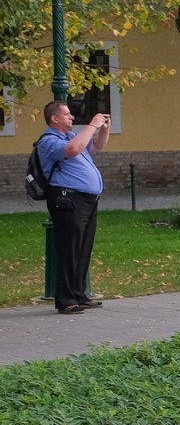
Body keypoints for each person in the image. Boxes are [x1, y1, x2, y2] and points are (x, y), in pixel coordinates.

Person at [35, 101, 108, 314]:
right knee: (70, 249)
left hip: (86, 200)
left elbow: (96, 146)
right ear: (54, 118)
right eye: (67, 114)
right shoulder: (49, 141)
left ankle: (79, 294)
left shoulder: (70, 136)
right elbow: (73, 150)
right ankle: (66, 300)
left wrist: (104, 129)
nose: (72, 117)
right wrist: (92, 125)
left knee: (83, 248)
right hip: (68, 200)